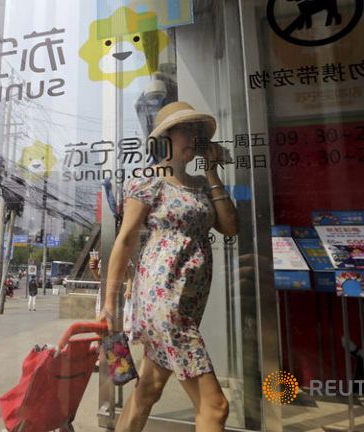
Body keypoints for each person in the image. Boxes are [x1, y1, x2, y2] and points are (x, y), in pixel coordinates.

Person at [99, 102, 239, 432]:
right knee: (215, 407)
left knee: (148, 390)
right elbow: (125, 240)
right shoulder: (150, 179)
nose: (194, 137)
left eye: (198, 132)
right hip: (164, 303)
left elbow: (231, 227)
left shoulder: (202, 185)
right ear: (167, 137)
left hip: (186, 304)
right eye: (186, 130)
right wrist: (110, 303)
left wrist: (211, 171)